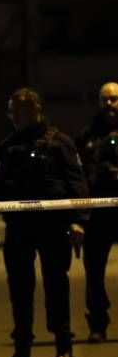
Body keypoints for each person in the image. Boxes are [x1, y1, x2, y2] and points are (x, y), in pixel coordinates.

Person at [0, 88, 89, 357]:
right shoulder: (7, 147)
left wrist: (78, 220)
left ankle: (64, 348)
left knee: (56, 286)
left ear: (35, 110)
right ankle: (22, 353)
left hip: (53, 224)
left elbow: (77, 184)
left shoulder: (59, 142)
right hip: (19, 227)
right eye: (10, 111)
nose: (13, 117)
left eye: (18, 111)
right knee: (20, 290)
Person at [76, 82, 118, 343]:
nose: (109, 104)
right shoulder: (87, 135)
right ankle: (97, 324)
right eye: (105, 99)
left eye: (114, 99)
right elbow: (78, 177)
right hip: (99, 213)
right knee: (94, 271)